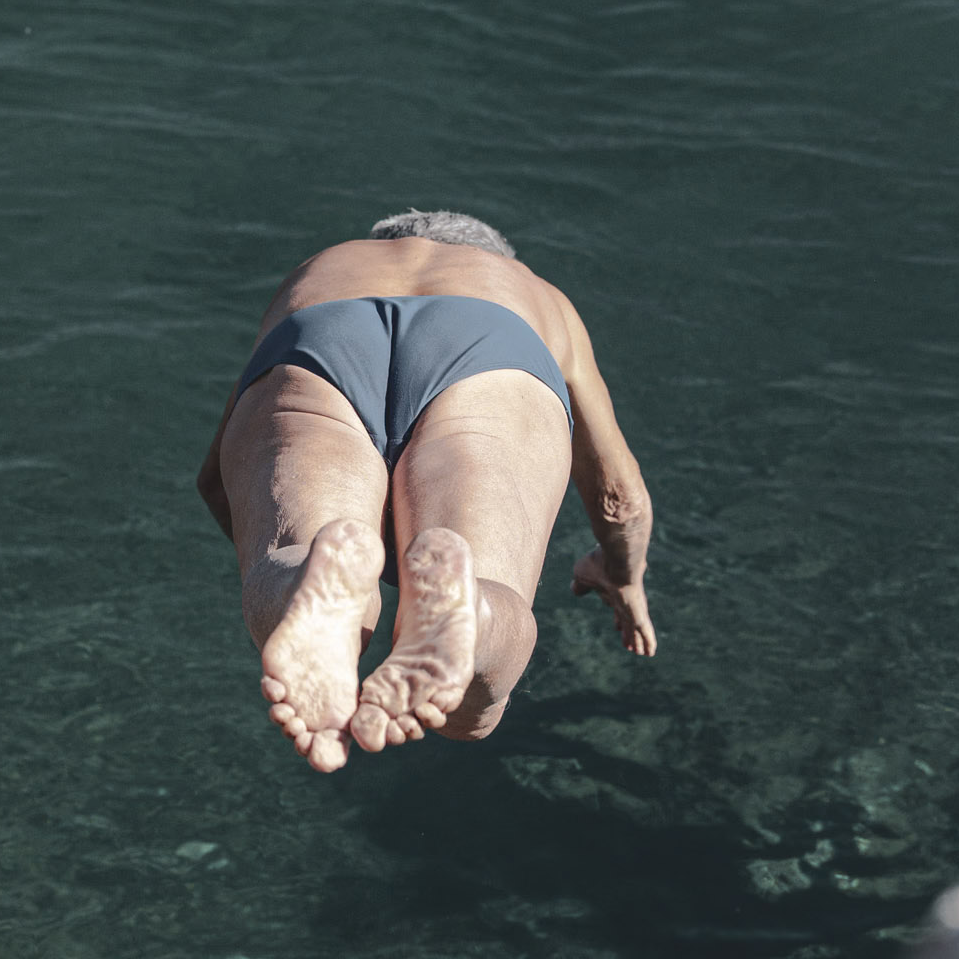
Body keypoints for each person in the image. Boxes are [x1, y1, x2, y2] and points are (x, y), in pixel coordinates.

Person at [197, 209, 655, 772]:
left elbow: (214, 480)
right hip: (491, 347)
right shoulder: (536, 293)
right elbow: (619, 497)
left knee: (295, 555)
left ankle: (307, 576)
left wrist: (262, 546)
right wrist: (622, 573)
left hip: (320, 338)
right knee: (471, 712)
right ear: (497, 257)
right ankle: (474, 614)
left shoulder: (323, 267)